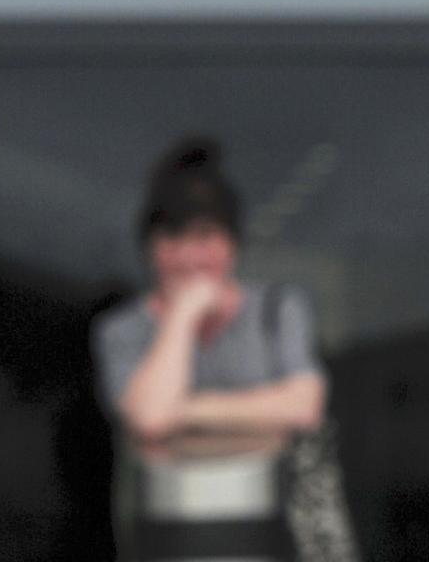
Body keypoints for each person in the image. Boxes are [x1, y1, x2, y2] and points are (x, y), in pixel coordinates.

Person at [94, 136, 326, 447]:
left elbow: (303, 407)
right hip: (167, 494)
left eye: (204, 236)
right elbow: (151, 420)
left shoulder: (279, 308)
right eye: (173, 238)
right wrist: (183, 315)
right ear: (149, 248)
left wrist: (185, 408)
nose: (189, 258)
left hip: (269, 490)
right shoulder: (121, 330)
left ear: (232, 244)